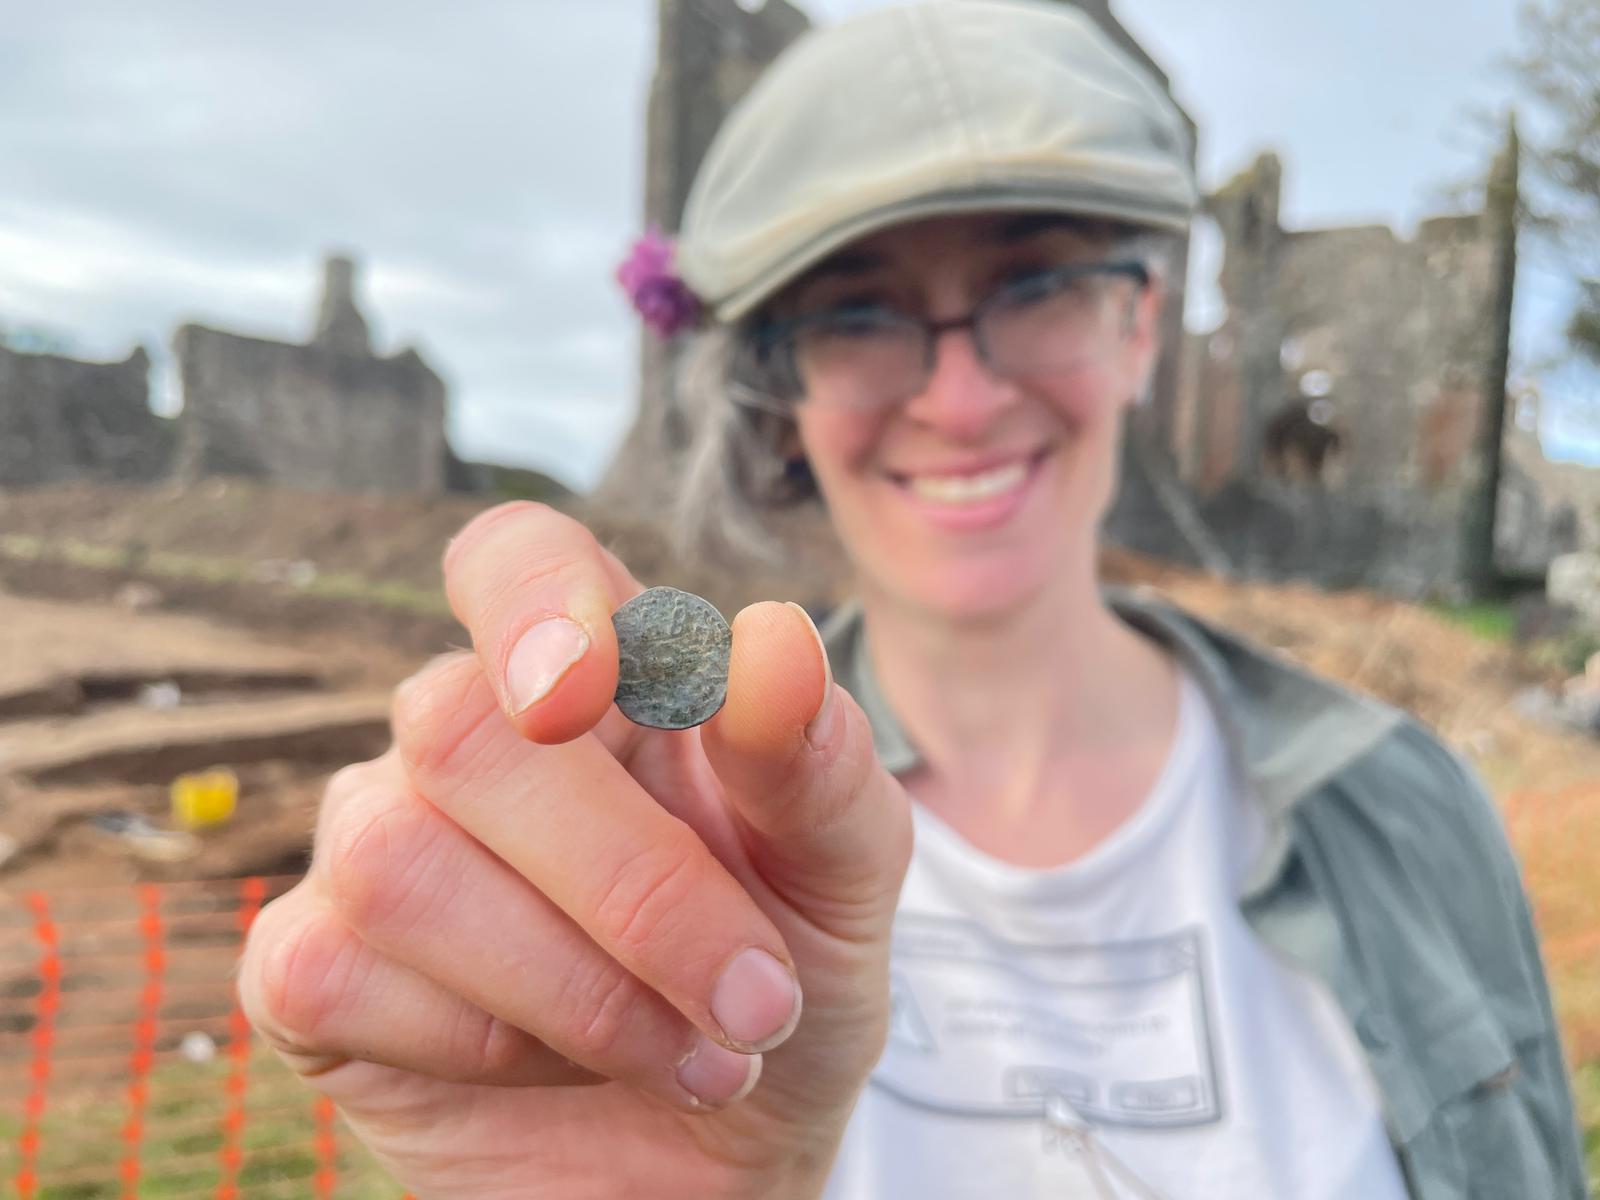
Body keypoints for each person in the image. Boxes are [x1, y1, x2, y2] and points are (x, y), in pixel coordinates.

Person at [239, 2, 1588, 1196]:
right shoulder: (672, 832)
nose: (959, 397)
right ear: (781, 395)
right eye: (861, 310)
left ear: (1140, 324)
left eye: (1039, 284)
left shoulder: (1411, 805)